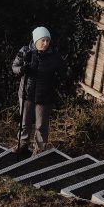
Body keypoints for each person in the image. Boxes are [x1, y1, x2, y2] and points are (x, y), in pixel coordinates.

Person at [11, 26, 70, 154]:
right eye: (43, 40)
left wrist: (62, 76)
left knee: (41, 126)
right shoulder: (26, 52)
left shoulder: (54, 56)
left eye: (47, 41)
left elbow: (64, 71)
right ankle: (22, 144)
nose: (45, 43)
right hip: (26, 93)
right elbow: (15, 67)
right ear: (36, 40)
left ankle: (39, 149)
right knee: (24, 122)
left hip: (45, 96)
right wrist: (21, 70)